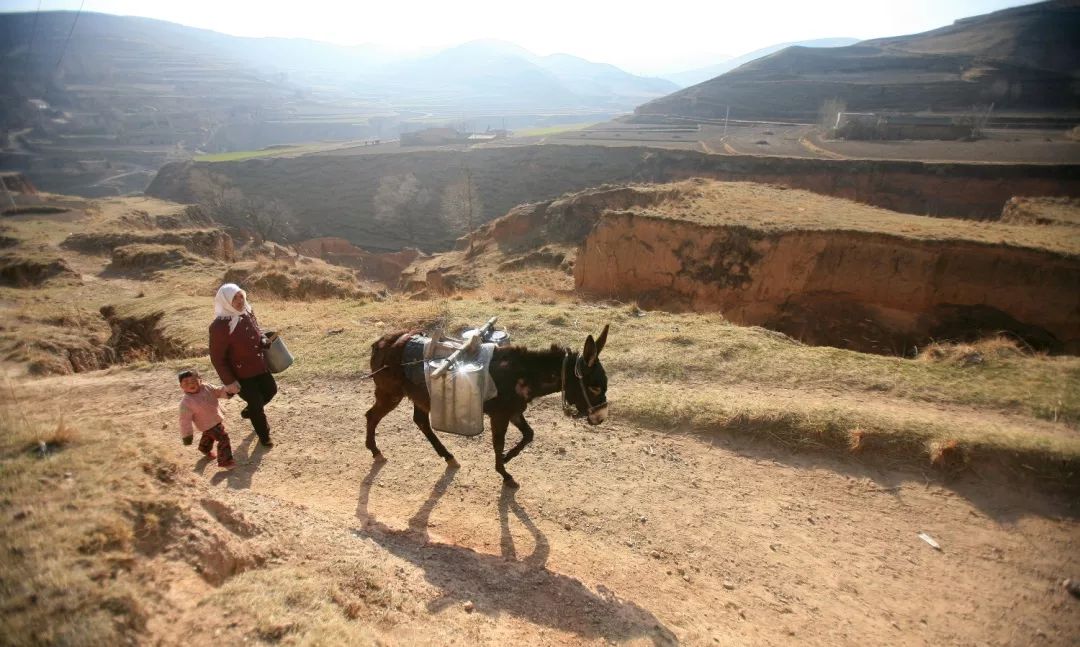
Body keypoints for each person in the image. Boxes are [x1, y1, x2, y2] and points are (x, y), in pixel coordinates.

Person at [209, 283, 278, 448]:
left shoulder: (247, 312)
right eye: (234, 298)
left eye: (241, 296)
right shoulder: (219, 326)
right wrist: (229, 381)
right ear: (225, 301)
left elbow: (257, 331)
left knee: (271, 390)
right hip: (241, 373)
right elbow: (217, 358)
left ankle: (250, 410)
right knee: (256, 402)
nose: (240, 300)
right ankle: (264, 435)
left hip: (259, 365)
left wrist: (262, 340)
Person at [177, 368, 235, 469]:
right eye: (186, 383)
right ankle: (225, 461)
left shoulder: (207, 387)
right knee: (223, 437)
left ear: (200, 380)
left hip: (215, 418)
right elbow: (184, 421)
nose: (191, 384)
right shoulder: (186, 403)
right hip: (206, 424)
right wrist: (187, 436)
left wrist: (229, 391)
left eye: (193, 381)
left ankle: (204, 448)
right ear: (181, 386)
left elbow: (218, 391)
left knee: (208, 435)